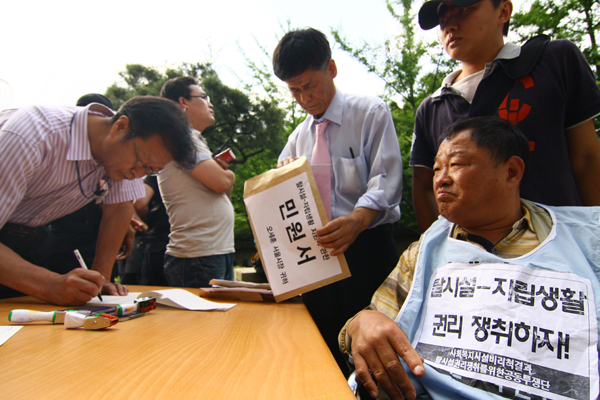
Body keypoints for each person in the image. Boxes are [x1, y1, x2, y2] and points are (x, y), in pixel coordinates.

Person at [341, 116, 600, 400]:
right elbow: (374, 322)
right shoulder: (424, 251)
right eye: (437, 168)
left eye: (456, 164)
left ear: (511, 172)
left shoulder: (588, 242)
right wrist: (361, 323)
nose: (441, 178)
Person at [273, 28, 403, 375]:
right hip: (318, 260)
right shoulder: (297, 138)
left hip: (367, 250)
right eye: (294, 90)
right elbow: (280, 200)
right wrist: (284, 176)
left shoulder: (370, 113)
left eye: (309, 85)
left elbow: (387, 179)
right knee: (324, 353)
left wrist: (358, 220)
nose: (304, 98)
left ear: (330, 68)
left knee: (376, 356)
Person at [410, 0, 600, 233]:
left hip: (561, 242)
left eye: (463, 10)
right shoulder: (431, 107)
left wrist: (595, 236)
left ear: (503, 11)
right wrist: (440, 247)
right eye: (443, 20)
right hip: (473, 253)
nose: (450, 26)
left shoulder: (554, 60)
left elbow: (587, 158)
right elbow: (424, 186)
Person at [0, 96, 196, 305]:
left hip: (29, 241)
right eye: (142, 163)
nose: (137, 174)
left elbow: (120, 208)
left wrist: (99, 279)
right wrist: (49, 284)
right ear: (120, 127)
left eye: (151, 170)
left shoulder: (121, 152)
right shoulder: (31, 136)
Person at [159, 76, 236, 288]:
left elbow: (222, 192)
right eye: (204, 97)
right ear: (183, 102)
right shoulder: (181, 137)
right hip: (199, 256)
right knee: (207, 311)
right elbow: (222, 183)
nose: (211, 104)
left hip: (209, 252)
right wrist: (230, 176)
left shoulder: (189, 138)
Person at [45, 94, 112, 276]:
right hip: (66, 239)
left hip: (84, 240)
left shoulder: (107, 157)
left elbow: (118, 203)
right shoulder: (54, 144)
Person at [133, 174, 170, 286]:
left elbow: (140, 203)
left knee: (154, 289)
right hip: (186, 239)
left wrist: (147, 221)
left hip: (158, 238)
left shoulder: (158, 174)